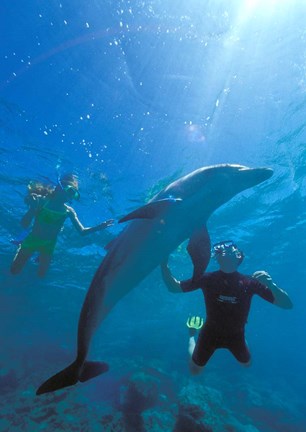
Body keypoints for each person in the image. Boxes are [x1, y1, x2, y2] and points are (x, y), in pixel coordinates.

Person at [161, 240, 293, 375]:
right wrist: (163, 264)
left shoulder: (250, 282)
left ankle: (242, 339)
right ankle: (191, 335)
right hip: (210, 333)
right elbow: (174, 288)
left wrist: (271, 285)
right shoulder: (207, 278)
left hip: (236, 335)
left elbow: (287, 305)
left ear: (239, 256)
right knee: (195, 371)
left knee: (247, 365)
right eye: (221, 249)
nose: (225, 249)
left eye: (232, 248)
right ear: (216, 258)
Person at [10, 174, 114, 277]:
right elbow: (24, 224)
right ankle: (22, 244)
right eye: (70, 191)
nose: (71, 196)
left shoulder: (69, 211)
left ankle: (36, 260)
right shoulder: (41, 201)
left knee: (41, 275)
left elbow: (82, 232)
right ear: (60, 187)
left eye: (74, 194)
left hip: (49, 244)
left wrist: (99, 227)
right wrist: (32, 209)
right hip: (32, 239)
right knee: (14, 270)